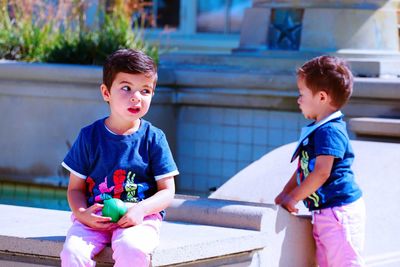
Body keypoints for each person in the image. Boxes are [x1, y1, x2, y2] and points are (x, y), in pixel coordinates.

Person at [60, 49, 179, 267]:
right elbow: (75, 189)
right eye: (126, 88)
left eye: (145, 90)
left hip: (139, 220)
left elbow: (167, 191)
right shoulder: (89, 137)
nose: (136, 97)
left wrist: (140, 210)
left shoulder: (154, 138)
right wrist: (83, 214)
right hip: (94, 220)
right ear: (106, 93)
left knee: (132, 249)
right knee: (72, 252)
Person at [275, 56, 365, 266]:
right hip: (326, 213)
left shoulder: (330, 131)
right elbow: (305, 169)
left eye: (302, 94)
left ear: (322, 97)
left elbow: (321, 172)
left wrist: (293, 198)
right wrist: (285, 193)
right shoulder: (319, 129)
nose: (298, 100)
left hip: (339, 214)